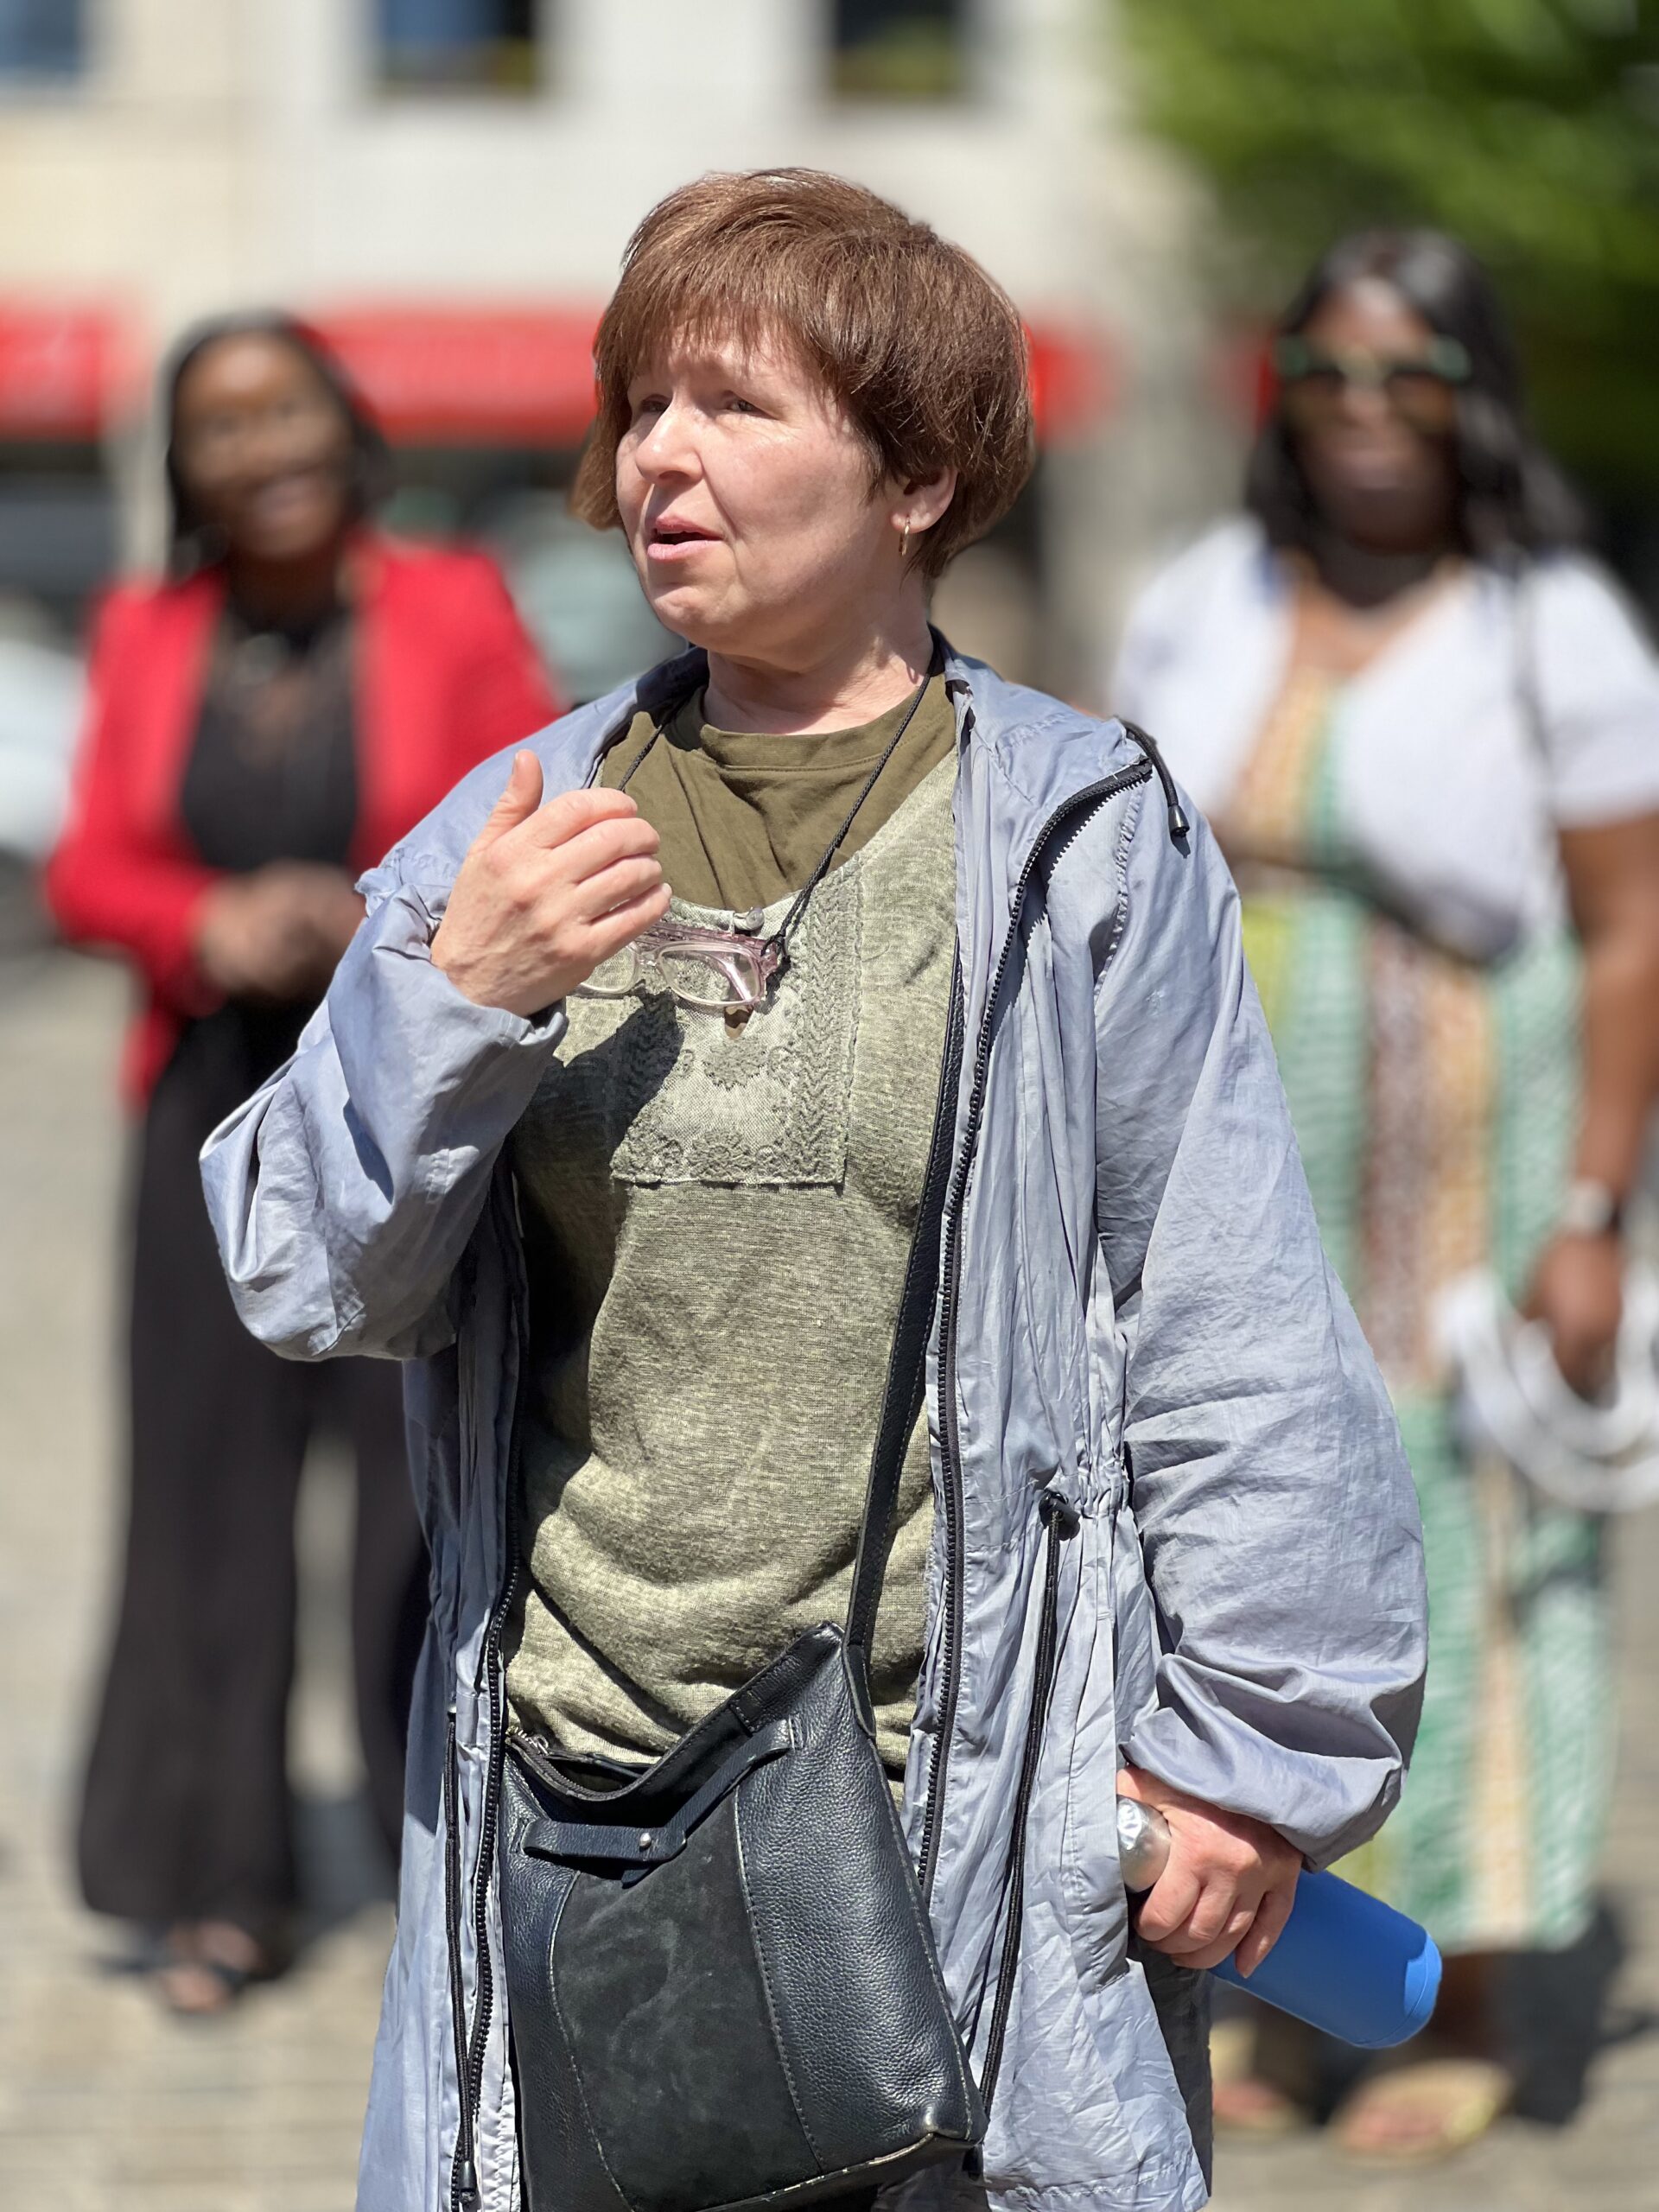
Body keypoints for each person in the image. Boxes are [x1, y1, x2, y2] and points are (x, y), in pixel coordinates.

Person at [201, 174, 1425, 2212]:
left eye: (734, 406)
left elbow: (1227, 1311)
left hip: (960, 1808)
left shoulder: (1076, 840)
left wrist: (1245, 1752)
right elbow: (299, 1273)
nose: (657, 458)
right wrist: (456, 1001)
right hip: (570, 1805)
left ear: (917, 476)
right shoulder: (511, 827)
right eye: (642, 404)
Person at [1113, 230, 1659, 2161]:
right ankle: (1281, 1971)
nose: (1366, 410)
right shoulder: (1205, 595)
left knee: (1465, 1548)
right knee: (1235, 1532)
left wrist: (1593, 1210)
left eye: (1410, 373)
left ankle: (1467, 1990)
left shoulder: (1547, 626)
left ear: (1472, 395)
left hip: (1470, 1179)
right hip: (1239, 1156)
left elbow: (1629, 926)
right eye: (1329, 372)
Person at [47, 312, 563, 2014]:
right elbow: (90, 865)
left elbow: (528, 805)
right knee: (201, 1494)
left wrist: (370, 916)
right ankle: (220, 1879)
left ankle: (453, 1865)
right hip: (206, 1099)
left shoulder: (451, 603)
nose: (260, 446)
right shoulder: (146, 628)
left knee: (421, 1492)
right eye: (220, 423)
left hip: (406, 1101)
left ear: (346, 429)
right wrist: (204, 917)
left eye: (286, 410)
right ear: (181, 465)